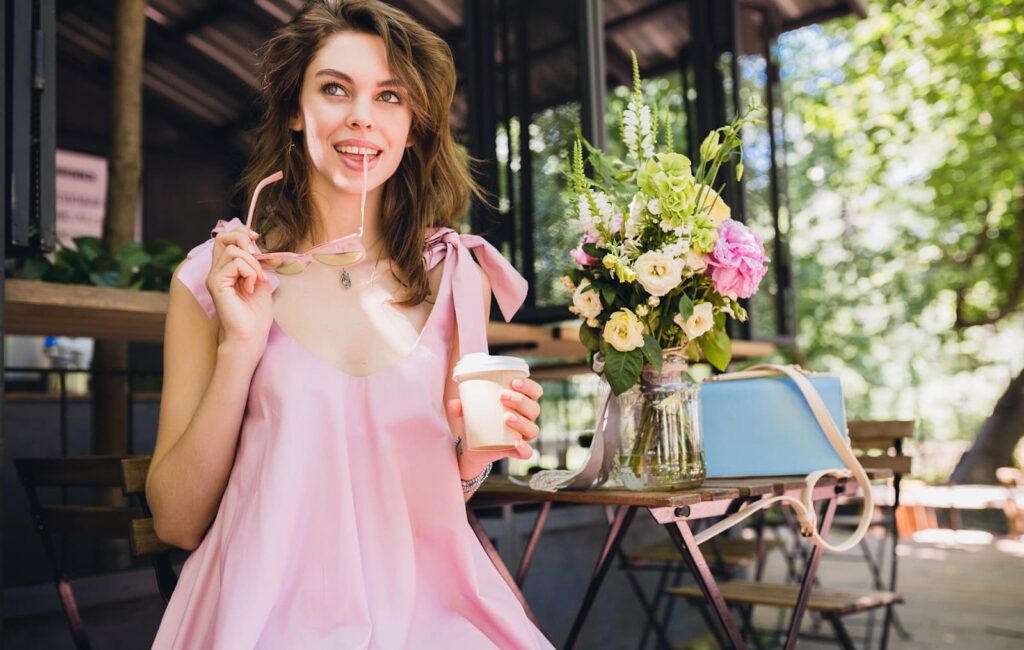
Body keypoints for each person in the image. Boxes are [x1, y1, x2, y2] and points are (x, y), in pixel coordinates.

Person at [145, 1, 552, 647]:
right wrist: (240, 348)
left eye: (390, 96)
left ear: (415, 127)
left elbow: (432, 501)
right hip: (263, 614)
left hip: (430, 610)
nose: (362, 114)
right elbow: (175, 521)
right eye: (335, 88)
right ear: (293, 111)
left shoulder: (458, 276)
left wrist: (472, 459)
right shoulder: (209, 279)